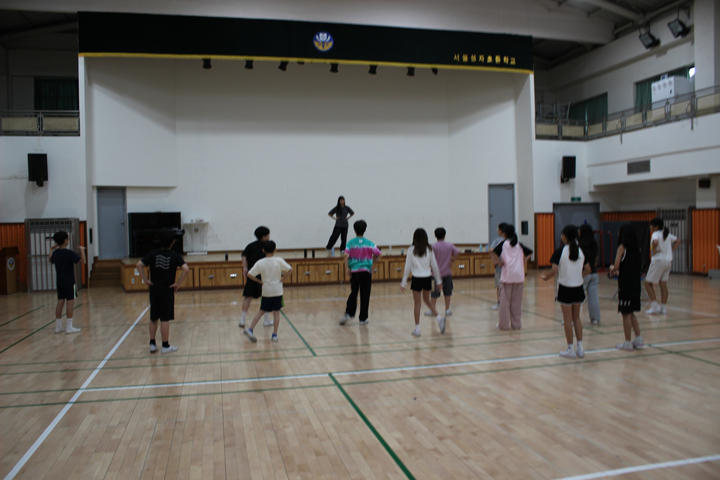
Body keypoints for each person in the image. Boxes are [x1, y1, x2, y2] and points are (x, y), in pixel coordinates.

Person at [540, 225, 591, 359]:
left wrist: (546, 278)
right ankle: (580, 348)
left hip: (565, 287)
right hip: (578, 287)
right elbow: (588, 269)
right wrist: (579, 276)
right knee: (577, 318)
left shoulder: (560, 251)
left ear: (564, 236)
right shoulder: (580, 251)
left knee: (567, 319)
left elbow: (553, 271)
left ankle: (570, 349)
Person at [136, 233, 190, 354]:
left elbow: (139, 265)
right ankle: (165, 345)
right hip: (167, 291)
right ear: (172, 242)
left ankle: (152, 344)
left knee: (153, 317)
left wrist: (145, 279)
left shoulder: (153, 254)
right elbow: (186, 269)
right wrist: (178, 283)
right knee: (164, 318)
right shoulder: (175, 256)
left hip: (154, 290)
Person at [244, 241, 293, 343]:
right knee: (276, 313)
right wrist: (284, 279)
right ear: (275, 250)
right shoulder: (279, 260)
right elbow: (290, 269)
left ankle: (250, 329)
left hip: (266, 291)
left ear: (263, 250)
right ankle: (274, 335)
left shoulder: (260, 262)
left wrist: (259, 281)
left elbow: (249, 274)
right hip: (277, 290)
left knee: (261, 311)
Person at [400, 228, 445, 337]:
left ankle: (417, 329)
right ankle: (439, 319)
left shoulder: (411, 249)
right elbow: (434, 266)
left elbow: (407, 267)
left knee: (417, 304)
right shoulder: (429, 249)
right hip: (427, 278)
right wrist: (439, 280)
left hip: (416, 278)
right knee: (427, 300)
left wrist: (404, 281)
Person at [491, 224, 533, 330]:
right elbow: (530, 252)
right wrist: (523, 261)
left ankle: (504, 325)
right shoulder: (519, 244)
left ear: (504, 234)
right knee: (516, 303)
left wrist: (499, 263)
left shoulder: (503, 244)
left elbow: (493, 252)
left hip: (507, 276)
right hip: (519, 276)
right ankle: (516, 324)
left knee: (504, 303)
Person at [610, 224, 644, 351]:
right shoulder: (637, 248)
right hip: (636, 284)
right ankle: (638, 339)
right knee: (631, 312)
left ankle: (628, 342)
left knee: (625, 314)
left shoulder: (622, 247)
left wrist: (612, 269)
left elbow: (617, 265)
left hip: (626, 285)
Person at [341, 220, 382, 326]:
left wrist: (347, 268)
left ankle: (349, 313)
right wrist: (373, 263)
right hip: (366, 272)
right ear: (365, 230)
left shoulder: (350, 243)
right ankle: (363, 318)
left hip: (354, 271)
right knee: (365, 294)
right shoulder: (369, 243)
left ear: (354, 230)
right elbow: (379, 254)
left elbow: (345, 255)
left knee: (354, 292)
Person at [49, 231, 86, 334]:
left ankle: (58, 326)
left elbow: (50, 260)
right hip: (70, 282)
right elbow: (83, 261)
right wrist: (82, 250)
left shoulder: (56, 253)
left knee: (60, 302)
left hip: (59, 282)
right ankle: (69, 327)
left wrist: (51, 249)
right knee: (70, 303)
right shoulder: (69, 253)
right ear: (65, 240)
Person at [645, 218, 680, 315]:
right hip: (668, 262)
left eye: (651, 225)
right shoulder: (666, 234)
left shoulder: (655, 234)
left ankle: (654, 306)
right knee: (663, 284)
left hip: (658, 261)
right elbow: (678, 241)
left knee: (647, 283)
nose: (650, 227)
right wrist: (671, 250)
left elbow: (655, 242)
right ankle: (663, 308)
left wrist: (654, 251)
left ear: (656, 227)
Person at [240, 226, 272, 328]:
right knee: (267, 297)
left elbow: (244, 255)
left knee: (248, 297)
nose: (269, 236)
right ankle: (266, 320)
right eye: (268, 235)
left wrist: (244, 267)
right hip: (264, 274)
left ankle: (242, 320)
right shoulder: (267, 246)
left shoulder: (251, 245)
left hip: (252, 274)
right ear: (264, 236)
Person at [426, 227, 459, 317]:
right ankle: (447, 309)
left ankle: (432, 310)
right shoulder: (449, 245)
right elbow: (457, 252)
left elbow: (429, 258)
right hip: (447, 273)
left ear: (435, 236)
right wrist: (453, 260)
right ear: (444, 235)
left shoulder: (433, 246)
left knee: (434, 293)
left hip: (435, 274)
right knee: (448, 292)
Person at [578, 224, 601, 325]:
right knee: (593, 298)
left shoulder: (580, 246)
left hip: (584, 273)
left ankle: (574, 318)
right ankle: (595, 319)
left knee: (577, 298)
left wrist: (582, 274)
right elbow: (595, 262)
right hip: (594, 274)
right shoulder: (595, 245)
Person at [489, 223, 508, 310]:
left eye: (498, 229)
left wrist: (495, 261)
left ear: (501, 231)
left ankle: (499, 303)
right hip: (509, 268)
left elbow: (491, 250)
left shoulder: (497, 241)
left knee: (499, 286)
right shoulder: (511, 241)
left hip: (500, 267)